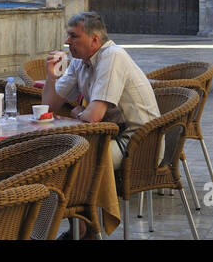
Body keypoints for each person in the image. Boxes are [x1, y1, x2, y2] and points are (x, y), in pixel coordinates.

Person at [43, 12, 158, 168]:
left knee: (71, 160)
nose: (67, 41)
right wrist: (52, 76)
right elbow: (48, 109)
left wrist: (78, 113)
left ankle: (93, 193)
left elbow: (93, 117)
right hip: (109, 137)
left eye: (73, 36)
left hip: (140, 143)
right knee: (53, 151)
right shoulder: (80, 61)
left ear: (94, 40)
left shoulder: (113, 56)